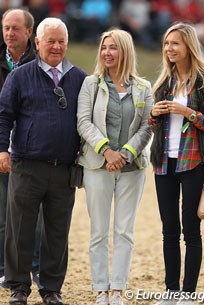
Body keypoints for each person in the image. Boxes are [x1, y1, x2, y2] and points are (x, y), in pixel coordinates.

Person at [0, 17, 87, 305]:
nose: (57, 46)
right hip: (26, 165)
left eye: (61, 41)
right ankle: (18, 287)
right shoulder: (20, 76)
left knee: (57, 232)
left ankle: (51, 288)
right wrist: (2, 150)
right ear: (37, 43)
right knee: (20, 229)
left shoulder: (80, 79)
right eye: (50, 40)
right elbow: (4, 116)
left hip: (63, 169)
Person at [77, 28, 153, 305]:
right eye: (104, 47)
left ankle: (118, 289)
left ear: (126, 51)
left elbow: (147, 126)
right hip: (97, 165)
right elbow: (83, 122)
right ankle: (100, 289)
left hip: (132, 169)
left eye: (113, 47)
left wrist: (127, 153)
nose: (107, 52)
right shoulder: (91, 84)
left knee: (124, 231)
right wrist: (107, 152)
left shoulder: (144, 88)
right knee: (98, 231)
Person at [149, 22, 204, 305]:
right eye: (166, 44)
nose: (169, 49)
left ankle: (188, 294)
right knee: (168, 229)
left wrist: (188, 112)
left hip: (193, 162)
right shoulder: (164, 82)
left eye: (174, 44)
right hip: (163, 164)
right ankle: (171, 292)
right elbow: (154, 124)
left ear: (188, 46)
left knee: (190, 229)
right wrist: (155, 113)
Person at [0, 8, 43, 290]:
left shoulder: (43, 63)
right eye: (5, 28)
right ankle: (4, 269)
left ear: (29, 32)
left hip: (33, 150)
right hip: (3, 147)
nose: (9, 33)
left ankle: (37, 268)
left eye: (15, 28)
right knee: (3, 214)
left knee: (35, 215)